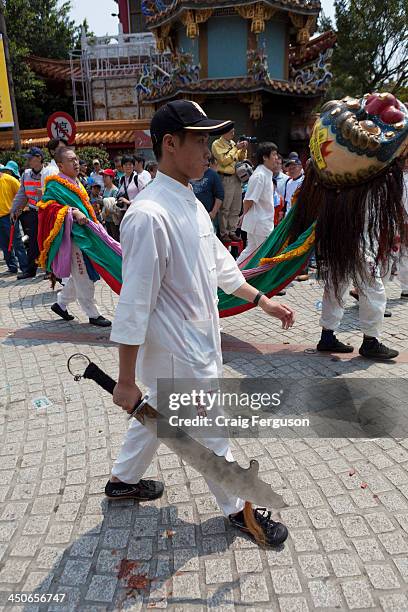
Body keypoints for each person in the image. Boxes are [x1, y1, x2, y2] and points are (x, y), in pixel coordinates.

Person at [107, 99, 295, 548]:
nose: (208, 150)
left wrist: (261, 299)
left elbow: (219, 266)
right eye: (199, 139)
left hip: (197, 343)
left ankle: (122, 481)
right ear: (169, 144)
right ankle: (241, 508)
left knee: (158, 416)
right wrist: (125, 379)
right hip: (180, 355)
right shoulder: (149, 215)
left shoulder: (188, 202)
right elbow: (133, 304)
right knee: (212, 434)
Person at [284, 92, 408, 360]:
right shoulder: (373, 175)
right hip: (357, 240)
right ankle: (371, 340)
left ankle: (327, 336)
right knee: (371, 287)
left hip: (338, 237)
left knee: (336, 285)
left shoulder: (339, 180)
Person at [38, 147, 113, 327]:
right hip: (72, 238)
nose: (76, 163)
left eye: (77, 159)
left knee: (81, 273)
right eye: (71, 160)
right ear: (61, 165)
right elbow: (46, 208)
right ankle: (93, 314)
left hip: (86, 233)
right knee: (83, 274)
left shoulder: (76, 181)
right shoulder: (54, 185)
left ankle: (61, 304)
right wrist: (73, 211)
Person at [236, 142, 278, 266]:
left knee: (250, 253)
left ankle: (231, 276)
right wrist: (244, 215)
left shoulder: (265, 174)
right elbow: (249, 199)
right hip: (259, 223)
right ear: (265, 157)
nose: (277, 158)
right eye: (274, 155)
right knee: (263, 254)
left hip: (261, 222)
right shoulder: (260, 175)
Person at [10, 147, 47, 279]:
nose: (28, 161)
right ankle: (30, 271)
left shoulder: (49, 173)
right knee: (32, 242)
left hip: (47, 212)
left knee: (47, 240)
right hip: (33, 212)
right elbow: (21, 194)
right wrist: (13, 210)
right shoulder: (25, 174)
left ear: (39, 158)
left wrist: (44, 193)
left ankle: (51, 271)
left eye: (30, 158)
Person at [212, 126, 248, 242]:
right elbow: (224, 160)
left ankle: (232, 231)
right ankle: (224, 233)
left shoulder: (232, 143)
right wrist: (235, 148)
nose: (233, 133)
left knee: (236, 206)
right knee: (225, 207)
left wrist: (243, 150)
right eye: (231, 131)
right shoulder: (216, 144)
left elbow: (241, 159)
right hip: (225, 177)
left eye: (233, 131)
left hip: (237, 177)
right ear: (224, 132)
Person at [0, 165, 30, 276]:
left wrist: (20, 209)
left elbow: (22, 194)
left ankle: (25, 268)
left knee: (17, 242)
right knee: (3, 244)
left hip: (9, 216)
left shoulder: (9, 180)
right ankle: (12, 267)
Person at [190, 155, 224, 230]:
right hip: (191, 215)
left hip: (208, 215)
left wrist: (213, 213)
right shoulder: (189, 173)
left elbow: (220, 195)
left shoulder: (213, 175)